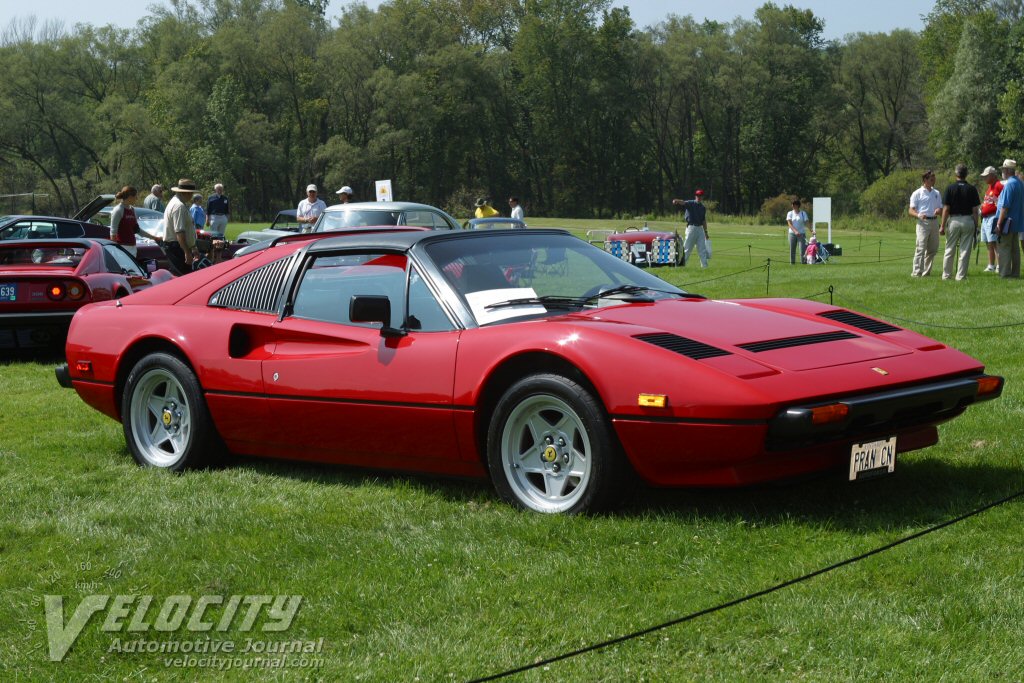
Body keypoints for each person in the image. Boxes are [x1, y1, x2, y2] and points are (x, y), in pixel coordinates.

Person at [939, 164, 981, 281]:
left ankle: (946, 275)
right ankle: (960, 276)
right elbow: (975, 211)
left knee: (949, 249)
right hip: (968, 220)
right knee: (965, 250)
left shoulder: (950, 188)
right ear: (966, 174)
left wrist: (942, 226)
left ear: (956, 174)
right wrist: (975, 226)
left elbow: (946, 209)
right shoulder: (972, 189)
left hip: (953, 220)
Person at [162, 178, 201, 275]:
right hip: (177, 248)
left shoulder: (176, 203)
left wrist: (193, 247)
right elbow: (179, 232)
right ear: (186, 193)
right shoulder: (179, 206)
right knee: (183, 277)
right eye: (191, 193)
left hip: (177, 247)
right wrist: (187, 252)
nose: (191, 195)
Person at [109, 185, 162, 256]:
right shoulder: (118, 210)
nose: (136, 198)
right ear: (130, 197)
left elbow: (137, 230)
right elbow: (113, 232)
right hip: (121, 248)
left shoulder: (132, 209)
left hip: (133, 247)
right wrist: (115, 251)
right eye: (135, 196)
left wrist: (154, 237)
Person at [908, 170, 942, 277]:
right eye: (931, 179)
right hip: (923, 222)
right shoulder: (917, 193)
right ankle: (916, 272)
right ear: (925, 180)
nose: (933, 181)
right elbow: (911, 210)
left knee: (933, 249)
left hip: (935, 222)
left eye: (934, 179)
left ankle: (926, 273)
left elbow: (941, 208)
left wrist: (939, 211)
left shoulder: (936, 193)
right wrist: (918, 215)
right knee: (921, 248)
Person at [995, 159, 1024, 278]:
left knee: (1004, 248)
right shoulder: (1020, 183)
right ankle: (1015, 272)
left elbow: (1005, 207)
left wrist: (998, 223)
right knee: (1015, 249)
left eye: (1003, 169)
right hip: (1017, 222)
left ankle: (1005, 273)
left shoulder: (1010, 184)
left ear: (1007, 171)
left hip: (1007, 222)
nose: (1002, 172)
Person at [671, 189, 710, 268]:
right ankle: (681, 265)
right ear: (695, 196)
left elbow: (703, 221)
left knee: (702, 249)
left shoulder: (703, 207)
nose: (698, 197)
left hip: (700, 229)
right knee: (687, 249)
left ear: (702, 197)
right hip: (691, 228)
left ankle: (705, 267)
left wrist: (706, 232)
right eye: (697, 195)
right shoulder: (691, 203)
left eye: (700, 196)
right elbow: (683, 202)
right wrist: (677, 201)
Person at [978, 166, 1003, 272]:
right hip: (985, 218)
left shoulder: (998, 186)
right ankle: (991, 265)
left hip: (993, 217)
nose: (984, 178)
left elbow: (1001, 202)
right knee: (989, 243)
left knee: (995, 243)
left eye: (986, 176)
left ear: (992, 175)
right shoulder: (990, 187)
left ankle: (999, 265)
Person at [786, 199, 813, 265]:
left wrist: (811, 230)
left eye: (794, 204)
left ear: (798, 205)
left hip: (801, 234)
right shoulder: (790, 213)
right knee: (792, 250)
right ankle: (792, 263)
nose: (793, 205)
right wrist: (795, 231)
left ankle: (803, 263)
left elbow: (807, 223)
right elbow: (789, 224)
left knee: (802, 250)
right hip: (792, 234)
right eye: (792, 204)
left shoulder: (803, 213)